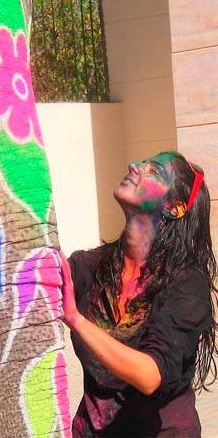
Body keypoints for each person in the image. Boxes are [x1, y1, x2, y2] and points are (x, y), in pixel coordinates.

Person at [59, 151, 217, 437]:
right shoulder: (88, 268)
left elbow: (149, 376)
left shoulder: (186, 284)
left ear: (174, 208)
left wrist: (76, 319)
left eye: (154, 171)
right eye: (142, 163)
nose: (134, 166)